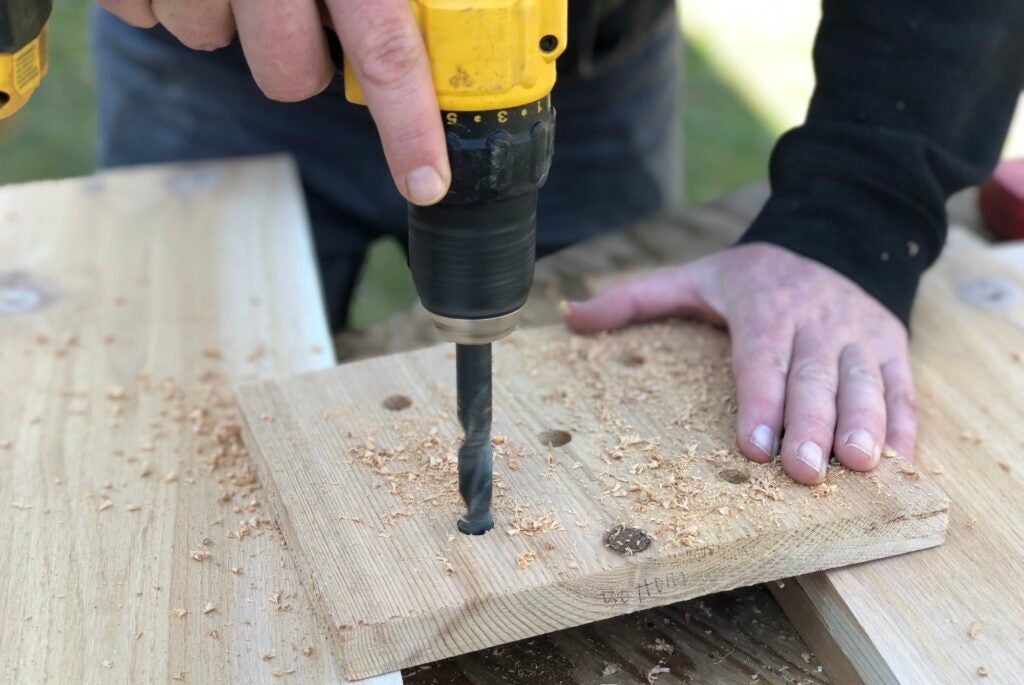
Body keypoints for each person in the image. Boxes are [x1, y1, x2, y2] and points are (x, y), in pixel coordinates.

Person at [93, 0, 1024, 485]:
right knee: (171, 434)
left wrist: (853, 220)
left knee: (580, 342)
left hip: (583, 67)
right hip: (226, 51)